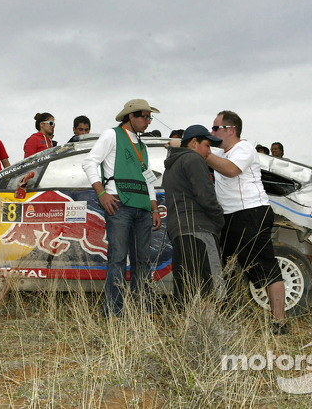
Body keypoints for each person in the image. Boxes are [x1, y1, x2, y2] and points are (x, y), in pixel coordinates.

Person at [205, 110, 287, 334]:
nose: (212, 133)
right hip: (230, 216)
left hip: (250, 212)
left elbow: (231, 170)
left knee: (266, 266)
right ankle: (225, 315)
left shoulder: (244, 148)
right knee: (223, 265)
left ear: (230, 130)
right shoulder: (222, 152)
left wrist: (203, 153)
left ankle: (279, 322)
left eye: (215, 128)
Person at [82, 99, 162, 317]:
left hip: (143, 208)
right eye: (144, 117)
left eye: (149, 117)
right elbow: (89, 163)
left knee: (142, 260)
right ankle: (114, 312)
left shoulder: (142, 146)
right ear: (131, 117)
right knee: (117, 259)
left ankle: (142, 310)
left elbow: (148, 178)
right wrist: (101, 193)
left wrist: (154, 208)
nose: (148, 121)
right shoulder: (112, 135)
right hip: (120, 205)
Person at [162, 125, 225, 306]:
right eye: (207, 145)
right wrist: (219, 220)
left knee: (187, 290)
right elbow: (206, 195)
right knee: (211, 289)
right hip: (200, 230)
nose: (208, 152)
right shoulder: (193, 159)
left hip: (179, 231)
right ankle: (211, 330)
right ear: (194, 142)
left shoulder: (171, 167)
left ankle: (189, 330)